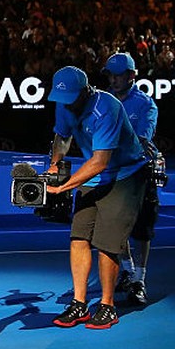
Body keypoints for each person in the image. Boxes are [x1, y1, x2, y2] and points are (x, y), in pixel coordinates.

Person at [43, 65, 150, 329]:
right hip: (92, 174)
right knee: (79, 237)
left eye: (72, 99)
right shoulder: (64, 103)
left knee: (107, 243)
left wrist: (64, 186)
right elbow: (62, 135)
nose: (67, 105)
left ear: (86, 91)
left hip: (124, 175)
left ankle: (107, 305)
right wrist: (55, 163)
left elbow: (101, 161)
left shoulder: (107, 107)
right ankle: (79, 304)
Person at [103, 52, 160, 306]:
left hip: (139, 174)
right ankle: (127, 269)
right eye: (111, 75)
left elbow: (142, 141)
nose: (113, 80)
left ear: (131, 76)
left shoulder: (146, 104)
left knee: (142, 229)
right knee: (117, 227)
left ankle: (140, 279)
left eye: (118, 76)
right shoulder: (103, 101)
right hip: (114, 172)